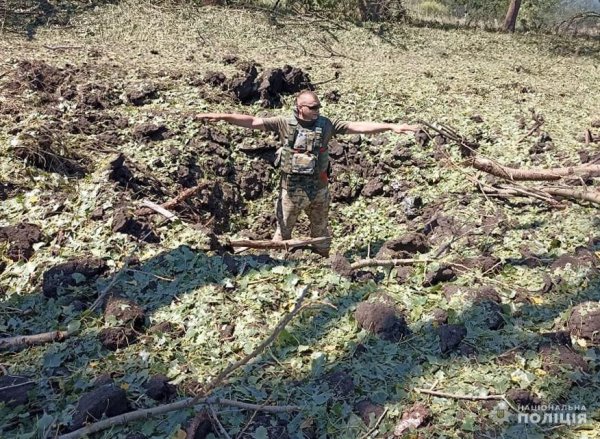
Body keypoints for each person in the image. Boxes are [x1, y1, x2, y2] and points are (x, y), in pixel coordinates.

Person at [196, 90, 419, 257]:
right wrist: (224, 116)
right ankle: (276, 264)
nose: (317, 110)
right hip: (291, 190)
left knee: (321, 232)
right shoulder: (284, 123)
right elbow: (253, 121)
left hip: (319, 189)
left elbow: (356, 126)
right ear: (299, 107)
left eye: (318, 106)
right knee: (283, 232)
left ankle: (324, 262)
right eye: (312, 107)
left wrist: (390, 126)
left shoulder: (326, 124)